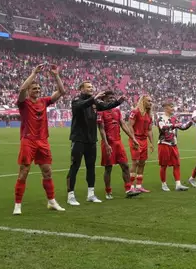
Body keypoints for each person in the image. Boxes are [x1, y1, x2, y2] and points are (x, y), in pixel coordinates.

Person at [13, 63, 66, 215]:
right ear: (29, 90)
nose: (36, 90)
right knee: (24, 172)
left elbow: (61, 91)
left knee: (47, 171)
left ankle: (51, 201)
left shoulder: (44, 101)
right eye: (34, 88)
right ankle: (17, 204)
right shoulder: (23, 103)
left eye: (38, 89)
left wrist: (56, 75)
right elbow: (22, 89)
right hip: (28, 140)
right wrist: (33, 73)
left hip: (43, 141)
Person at [67, 81, 125, 206]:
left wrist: (118, 102)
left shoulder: (95, 102)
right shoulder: (76, 99)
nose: (91, 88)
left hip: (91, 139)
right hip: (78, 139)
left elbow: (105, 106)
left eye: (92, 87)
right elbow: (81, 106)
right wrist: (94, 98)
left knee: (91, 167)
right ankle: (70, 195)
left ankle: (91, 194)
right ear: (81, 88)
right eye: (88, 87)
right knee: (75, 166)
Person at [97, 91, 141, 199]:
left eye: (113, 97)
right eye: (109, 97)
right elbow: (101, 128)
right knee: (108, 168)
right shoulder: (100, 111)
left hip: (118, 142)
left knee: (125, 165)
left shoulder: (117, 110)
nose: (112, 99)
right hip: (108, 143)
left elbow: (123, 124)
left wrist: (133, 138)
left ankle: (128, 189)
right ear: (104, 99)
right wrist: (106, 144)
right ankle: (108, 191)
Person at [156, 99, 192, 192]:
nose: (173, 108)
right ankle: (164, 184)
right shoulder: (160, 118)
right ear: (165, 107)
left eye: (173, 106)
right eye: (171, 106)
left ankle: (178, 184)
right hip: (164, 144)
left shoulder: (174, 118)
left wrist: (190, 123)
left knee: (177, 164)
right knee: (163, 165)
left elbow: (182, 127)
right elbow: (163, 128)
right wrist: (174, 125)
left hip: (173, 144)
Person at [128, 95, 155, 193]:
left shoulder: (149, 115)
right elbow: (130, 126)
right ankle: (130, 187)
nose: (150, 103)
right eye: (148, 101)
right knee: (135, 162)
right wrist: (133, 139)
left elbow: (149, 130)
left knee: (142, 163)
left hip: (144, 140)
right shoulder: (135, 112)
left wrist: (152, 142)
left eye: (151, 101)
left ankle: (139, 186)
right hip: (136, 139)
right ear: (143, 101)